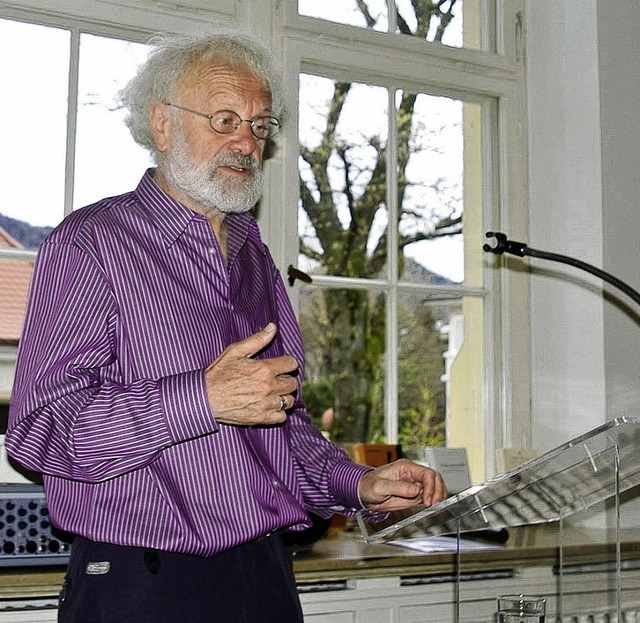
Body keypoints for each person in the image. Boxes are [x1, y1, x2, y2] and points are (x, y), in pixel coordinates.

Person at [6, 26, 446, 623]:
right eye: (224, 120)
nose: (247, 142)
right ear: (162, 124)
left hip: (265, 575)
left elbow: (283, 431)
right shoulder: (93, 243)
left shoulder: (253, 255)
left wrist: (360, 485)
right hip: (145, 584)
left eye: (260, 126)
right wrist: (200, 399)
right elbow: (40, 432)